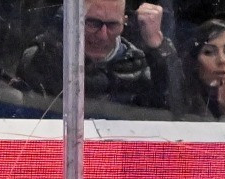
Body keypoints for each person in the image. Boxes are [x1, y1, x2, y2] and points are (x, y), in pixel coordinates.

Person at [15, 0, 177, 116]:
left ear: (124, 22)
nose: (102, 35)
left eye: (113, 25)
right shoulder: (42, 57)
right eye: (92, 23)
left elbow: (178, 110)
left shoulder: (140, 64)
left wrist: (157, 45)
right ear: (71, 19)